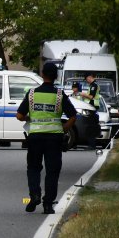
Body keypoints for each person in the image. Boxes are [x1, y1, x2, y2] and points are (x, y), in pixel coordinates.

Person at [16, 61, 77, 214]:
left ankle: (35, 195)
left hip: (35, 137)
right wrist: (63, 129)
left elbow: (19, 116)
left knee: (34, 168)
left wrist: (30, 118)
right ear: (56, 76)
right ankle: (48, 204)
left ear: (42, 75)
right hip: (54, 138)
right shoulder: (59, 95)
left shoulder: (31, 94)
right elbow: (73, 116)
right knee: (52, 171)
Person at [79, 73, 100, 150]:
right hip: (91, 108)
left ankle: (92, 145)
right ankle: (91, 145)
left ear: (90, 77)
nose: (87, 81)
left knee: (91, 127)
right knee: (90, 127)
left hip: (92, 107)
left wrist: (83, 94)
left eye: (86, 79)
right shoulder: (92, 85)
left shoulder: (94, 85)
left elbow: (91, 96)